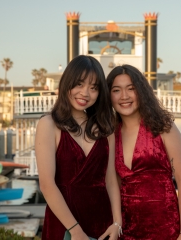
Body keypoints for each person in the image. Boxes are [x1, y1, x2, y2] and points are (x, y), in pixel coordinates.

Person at [35, 55, 122, 240]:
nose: (85, 93)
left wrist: (117, 223)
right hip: (64, 225)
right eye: (80, 84)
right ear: (67, 83)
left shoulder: (107, 128)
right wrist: (76, 231)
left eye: (93, 87)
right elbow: (47, 184)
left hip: (102, 224)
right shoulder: (48, 124)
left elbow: (111, 181)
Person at [107, 65, 181, 240]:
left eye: (131, 89)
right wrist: (116, 223)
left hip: (167, 229)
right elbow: (114, 185)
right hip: (128, 231)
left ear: (141, 92)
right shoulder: (110, 135)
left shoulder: (162, 126)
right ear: (109, 96)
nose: (124, 96)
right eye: (116, 90)